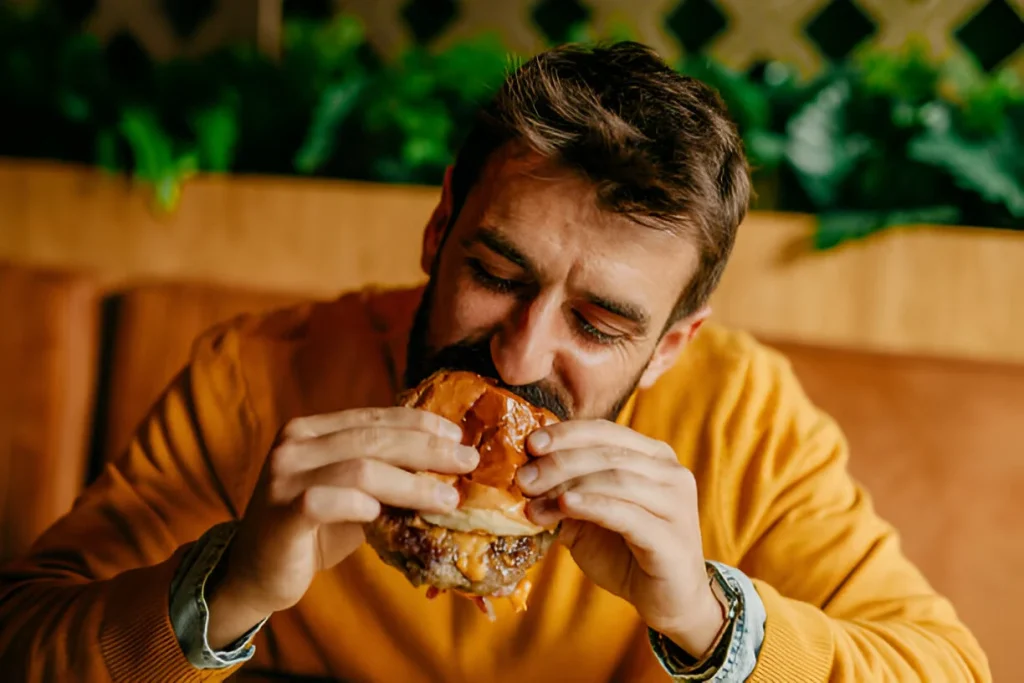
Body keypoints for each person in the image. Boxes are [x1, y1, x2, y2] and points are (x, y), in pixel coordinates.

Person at [0, 42, 989, 682]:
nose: (519, 351)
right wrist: (233, 580)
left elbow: (944, 667)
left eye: (600, 323)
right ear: (438, 231)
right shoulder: (255, 376)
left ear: (671, 345)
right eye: (495, 271)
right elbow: (23, 641)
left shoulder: (743, 412)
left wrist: (703, 612)